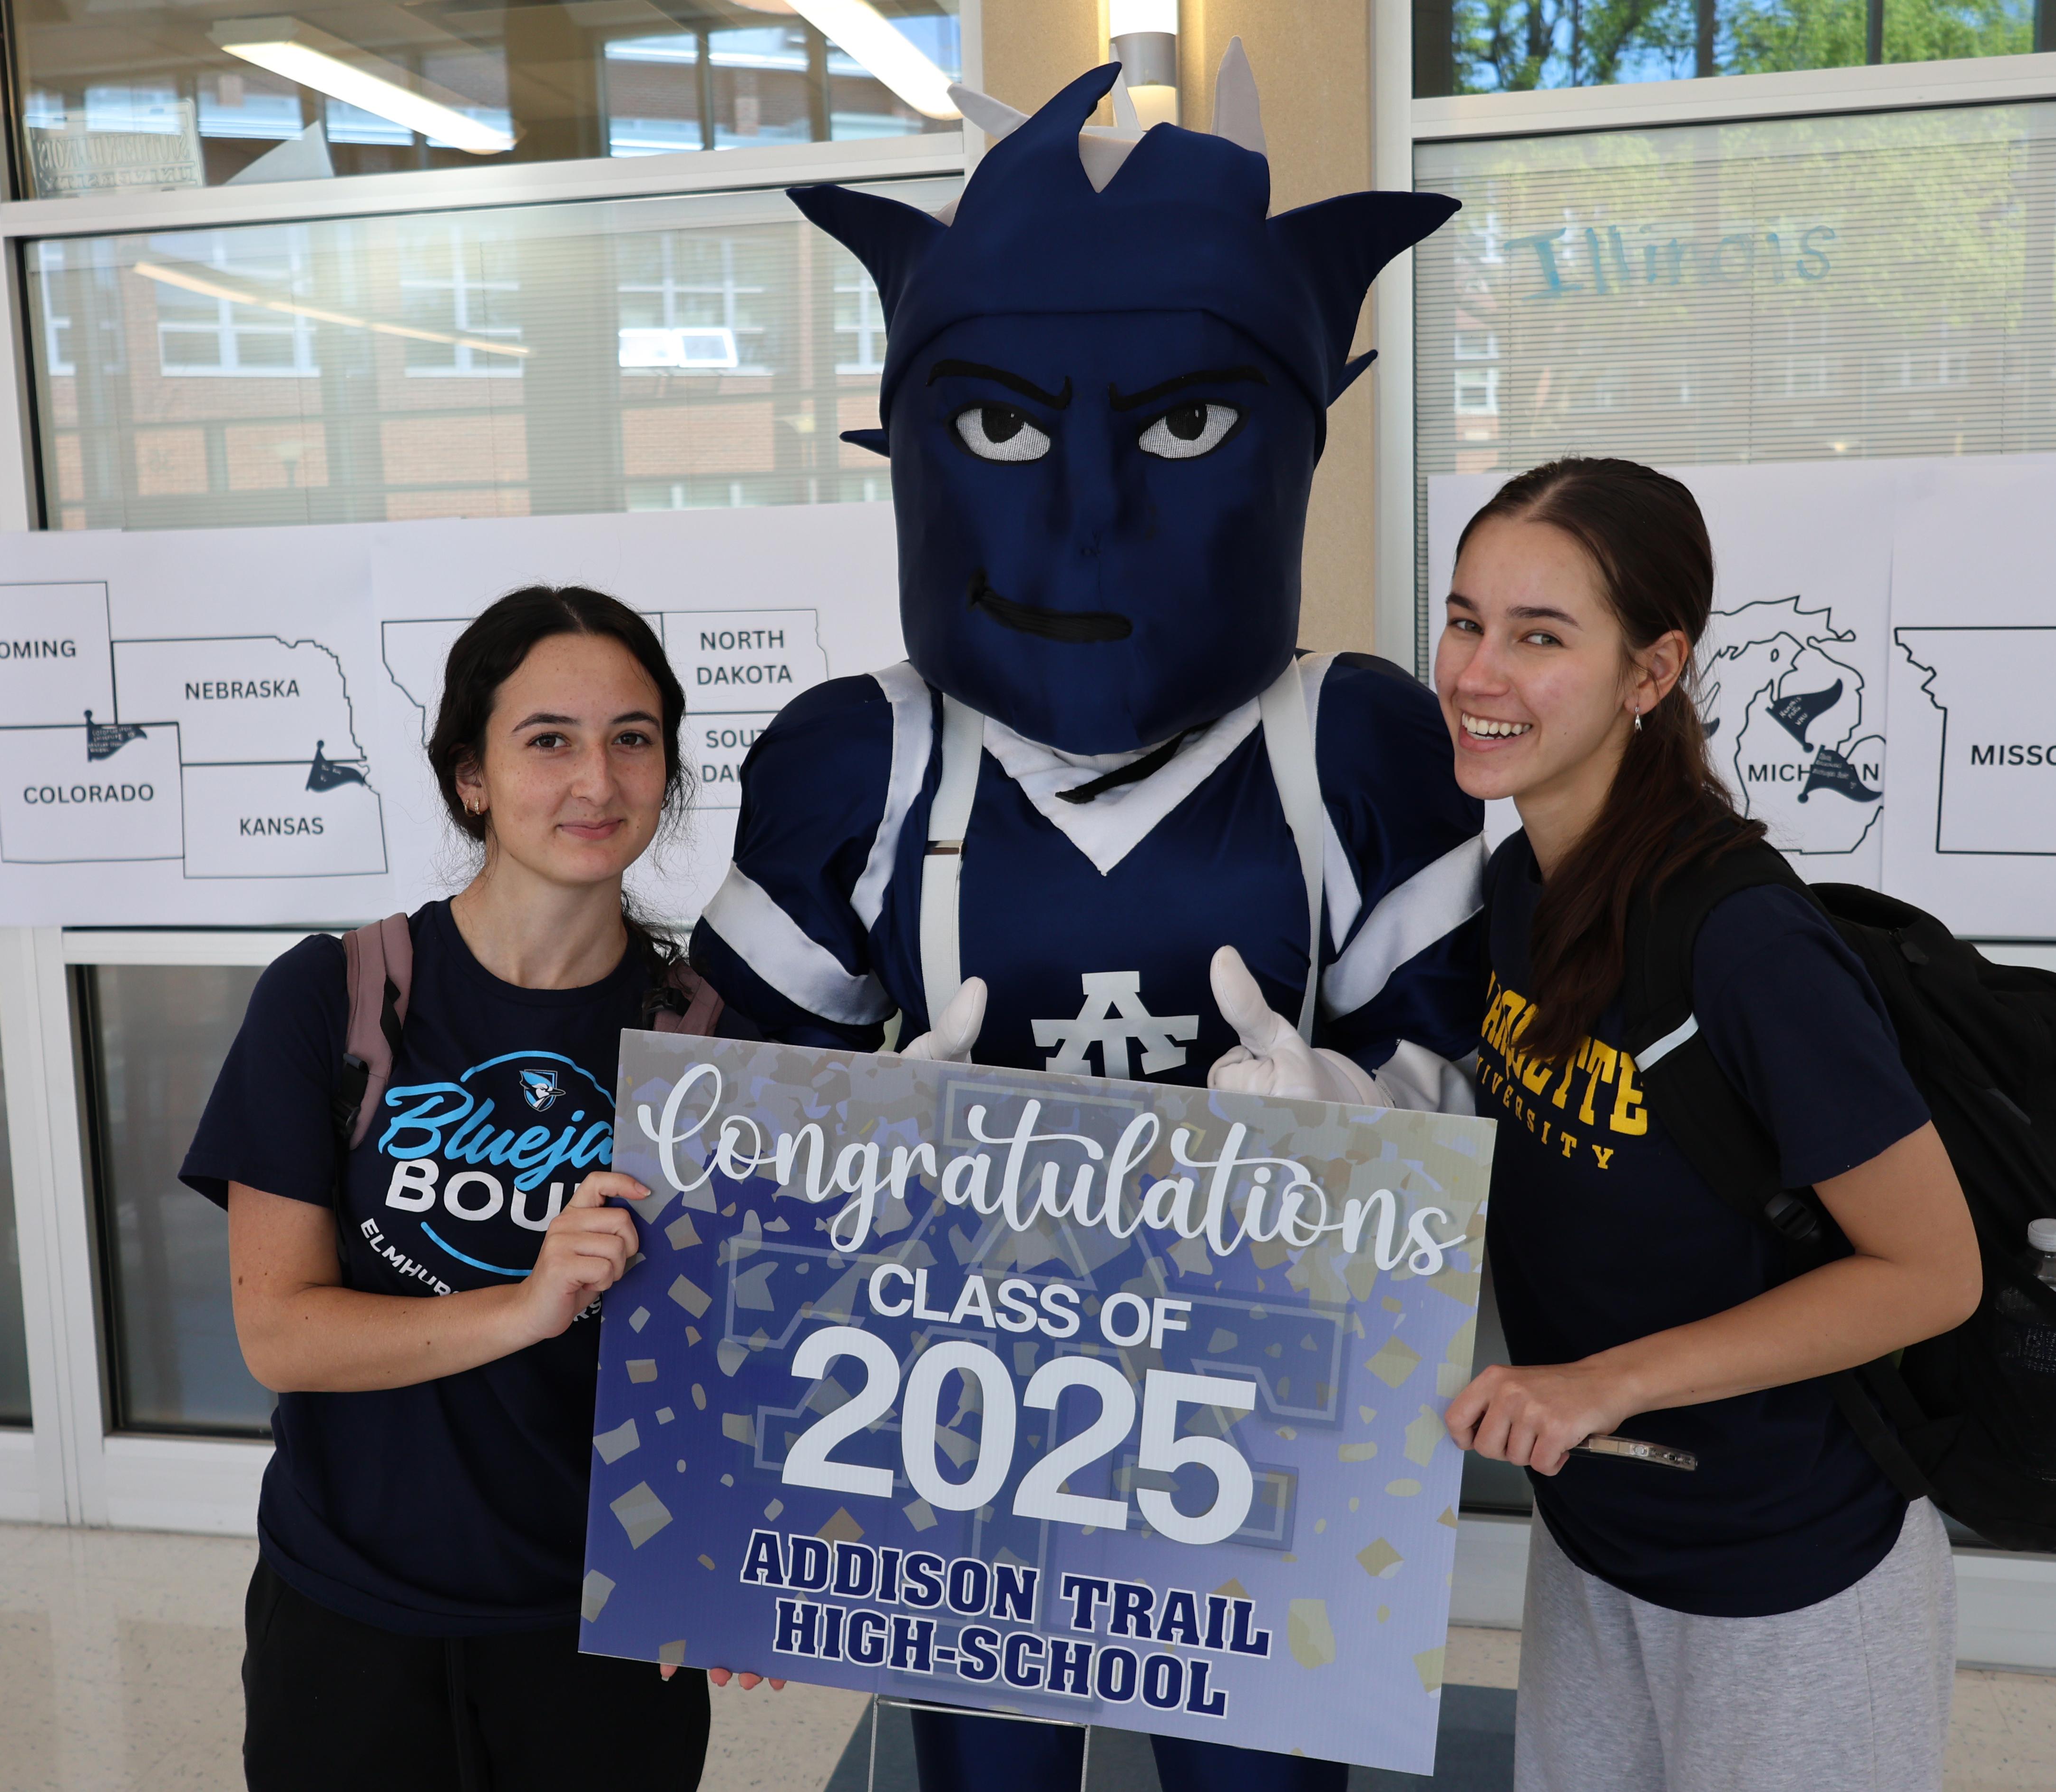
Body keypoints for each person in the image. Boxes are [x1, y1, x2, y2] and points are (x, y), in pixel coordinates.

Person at [688, 49, 1482, 1792]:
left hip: (1266, 1409)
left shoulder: (1352, 746)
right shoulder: (859, 759)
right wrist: (846, 1143)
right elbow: (719, 1157)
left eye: (1187, 426)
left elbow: (1473, 1093)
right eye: (1000, 428)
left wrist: (1369, 1119)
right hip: (957, 1414)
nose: (1093, 510)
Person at [1436, 460, 1984, 1792]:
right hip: (1598, 1535)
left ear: (1653, 669)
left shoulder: (1742, 944)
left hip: (1791, 1573)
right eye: (1464, 621)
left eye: (1540, 636)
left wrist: (1602, 1383)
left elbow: (1932, 1273)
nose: (1477, 673)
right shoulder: (1520, 891)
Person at [181, 586, 757, 1791]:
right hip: (347, 1622)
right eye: (548, 740)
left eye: (632, 737)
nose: (596, 780)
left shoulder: (706, 1045)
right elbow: (280, 1333)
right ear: (471, 778)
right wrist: (527, 1306)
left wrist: (738, 1564)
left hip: (598, 1630)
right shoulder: (335, 997)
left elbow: (738, 1353)